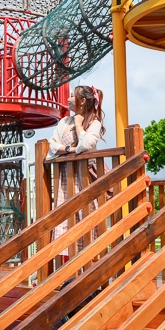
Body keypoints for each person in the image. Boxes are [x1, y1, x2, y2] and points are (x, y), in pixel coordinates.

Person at [46, 85, 106, 261]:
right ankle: (68, 273)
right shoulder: (64, 122)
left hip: (84, 178)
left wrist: (79, 126)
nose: (68, 98)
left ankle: (89, 270)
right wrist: (69, 149)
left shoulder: (94, 123)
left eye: (72, 96)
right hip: (65, 178)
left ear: (82, 101)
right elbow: (52, 146)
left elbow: (86, 145)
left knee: (85, 219)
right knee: (64, 222)